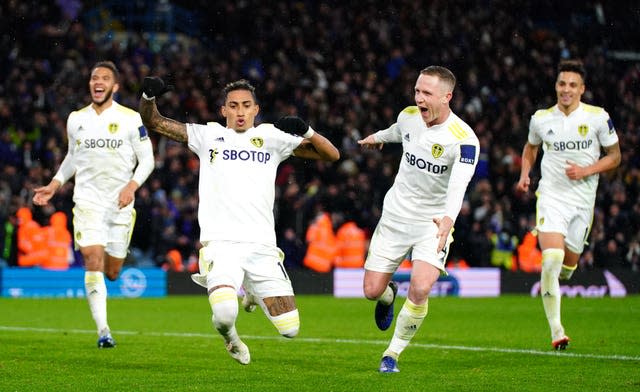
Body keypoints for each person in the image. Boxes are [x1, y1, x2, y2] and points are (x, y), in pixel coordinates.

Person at [138, 76, 339, 365]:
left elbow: (331, 155)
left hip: (262, 247)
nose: (240, 112)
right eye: (233, 106)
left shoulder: (272, 137)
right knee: (223, 314)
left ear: (256, 110)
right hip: (221, 245)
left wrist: (308, 130)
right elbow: (155, 122)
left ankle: (254, 293)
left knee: (291, 329)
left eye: (246, 106)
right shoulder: (208, 136)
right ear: (224, 111)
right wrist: (147, 96)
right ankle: (232, 339)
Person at [357, 66, 479, 373]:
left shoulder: (464, 140)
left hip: (433, 223)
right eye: (417, 91)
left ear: (447, 96)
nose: (419, 98)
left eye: (426, 93)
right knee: (372, 291)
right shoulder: (409, 115)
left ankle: (392, 354)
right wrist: (376, 137)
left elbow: (458, 185)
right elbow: (398, 132)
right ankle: (388, 296)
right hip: (396, 216)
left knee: (422, 287)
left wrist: (449, 219)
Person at [33, 61, 154, 348]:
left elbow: (148, 160)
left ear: (115, 87)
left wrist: (132, 186)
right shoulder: (76, 119)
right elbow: (73, 156)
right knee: (92, 260)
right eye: (93, 77)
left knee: (112, 272)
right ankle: (104, 331)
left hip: (121, 205)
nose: (98, 82)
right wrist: (54, 184)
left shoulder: (130, 118)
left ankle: (105, 311)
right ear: (90, 84)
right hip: (87, 202)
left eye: (104, 78)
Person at [516, 59, 621, 350]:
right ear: (556, 86)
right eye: (562, 83)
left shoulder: (598, 117)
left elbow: (615, 156)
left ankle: (563, 273)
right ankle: (557, 331)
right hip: (551, 197)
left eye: (572, 85)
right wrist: (525, 174)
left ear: (582, 89)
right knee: (550, 259)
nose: (566, 89)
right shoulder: (541, 118)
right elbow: (530, 147)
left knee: (567, 267)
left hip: (582, 202)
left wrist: (586, 171)